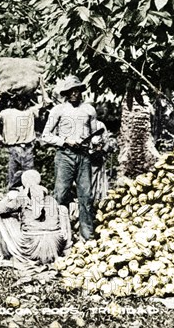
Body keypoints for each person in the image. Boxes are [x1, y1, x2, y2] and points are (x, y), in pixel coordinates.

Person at [42, 75, 98, 241]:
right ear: (66, 93)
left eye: (77, 90)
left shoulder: (89, 110)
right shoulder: (58, 110)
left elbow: (94, 135)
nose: (74, 94)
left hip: (83, 156)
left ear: (81, 92)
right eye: (71, 91)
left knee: (86, 196)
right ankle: (59, 233)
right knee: (61, 194)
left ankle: (87, 235)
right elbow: (46, 135)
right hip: (65, 156)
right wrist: (66, 141)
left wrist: (94, 142)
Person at [0, 170, 72, 264]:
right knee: (63, 209)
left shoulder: (22, 198)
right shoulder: (51, 199)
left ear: (23, 183)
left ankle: (6, 254)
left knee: (3, 216)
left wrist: (10, 197)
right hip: (55, 245)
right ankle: (66, 249)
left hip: (31, 247)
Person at [0, 93, 44, 191]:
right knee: (13, 179)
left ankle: (28, 201)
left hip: (28, 149)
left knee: (30, 179)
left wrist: (41, 86)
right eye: (18, 100)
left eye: (23, 100)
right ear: (13, 101)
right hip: (13, 149)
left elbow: (45, 104)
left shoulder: (30, 111)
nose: (20, 102)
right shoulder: (7, 113)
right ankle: (12, 201)